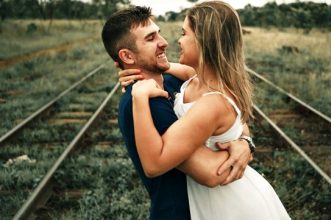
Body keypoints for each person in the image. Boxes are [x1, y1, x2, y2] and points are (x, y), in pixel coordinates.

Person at [127, 1, 291, 219]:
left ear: (204, 41)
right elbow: (172, 68)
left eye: (184, 33)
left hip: (232, 205)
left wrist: (138, 96)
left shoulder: (212, 103)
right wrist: (137, 67)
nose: (177, 40)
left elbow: (155, 164)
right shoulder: (197, 78)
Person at [101, 6, 253, 220]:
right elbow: (211, 172)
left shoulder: (177, 83)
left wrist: (245, 142)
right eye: (151, 38)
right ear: (126, 55)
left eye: (160, 33)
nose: (164, 42)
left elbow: (232, 117)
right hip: (181, 213)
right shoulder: (150, 105)